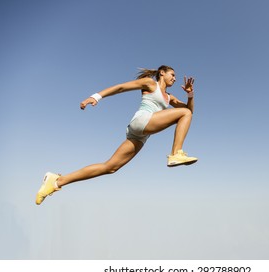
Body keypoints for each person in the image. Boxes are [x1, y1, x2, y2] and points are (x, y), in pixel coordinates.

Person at [35, 65, 198, 205]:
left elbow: (189, 111)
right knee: (183, 113)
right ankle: (176, 153)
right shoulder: (150, 83)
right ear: (162, 73)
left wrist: (190, 94)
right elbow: (121, 87)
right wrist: (96, 97)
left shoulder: (170, 98)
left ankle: (56, 181)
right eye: (173, 75)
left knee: (110, 167)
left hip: (141, 135)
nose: (175, 79)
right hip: (142, 120)